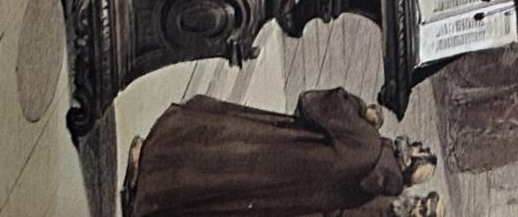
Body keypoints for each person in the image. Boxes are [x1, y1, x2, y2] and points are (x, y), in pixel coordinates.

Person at [122, 86, 434, 217]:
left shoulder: (369, 144)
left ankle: (149, 169)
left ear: (408, 157)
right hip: (286, 190)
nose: (414, 142)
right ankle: (150, 198)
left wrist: (361, 109)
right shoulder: (374, 189)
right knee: (219, 192)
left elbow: (314, 102)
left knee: (214, 152)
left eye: (417, 147)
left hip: (278, 151)